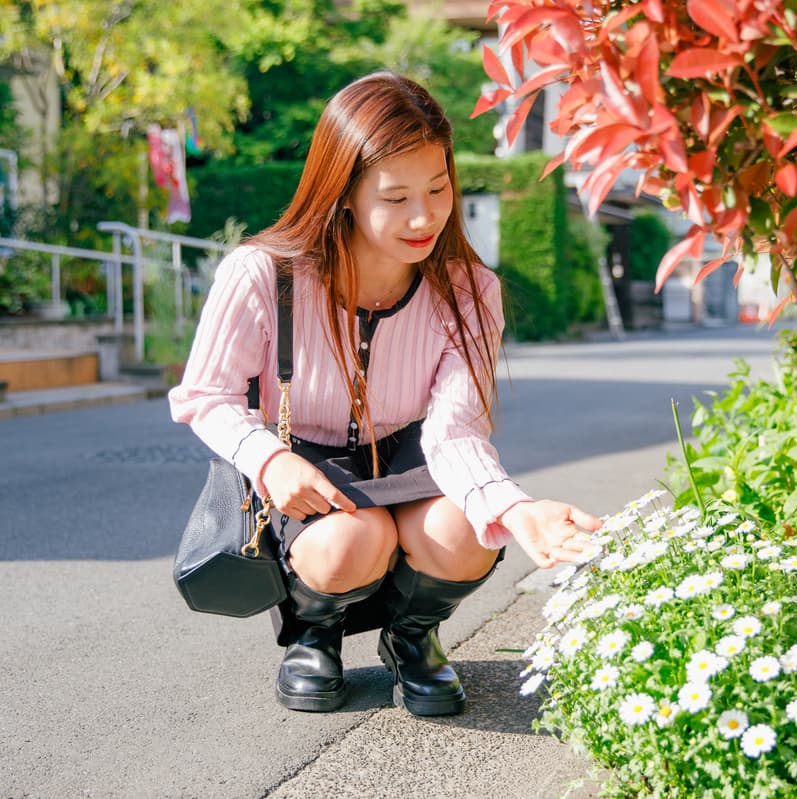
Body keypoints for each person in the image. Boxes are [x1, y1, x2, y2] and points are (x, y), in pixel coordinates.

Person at [169, 72, 599, 715]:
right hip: (300, 458)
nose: (424, 215)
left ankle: (412, 639)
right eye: (395, 197)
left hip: (407, 454)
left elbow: (454, 432)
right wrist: (266, 457)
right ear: (342, 192)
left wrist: (518, 511)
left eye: (438, 187)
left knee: (466, 532)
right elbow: (206, 395)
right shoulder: (263, 274)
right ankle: (316, 635)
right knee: (350, 542)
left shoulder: (468, 290)